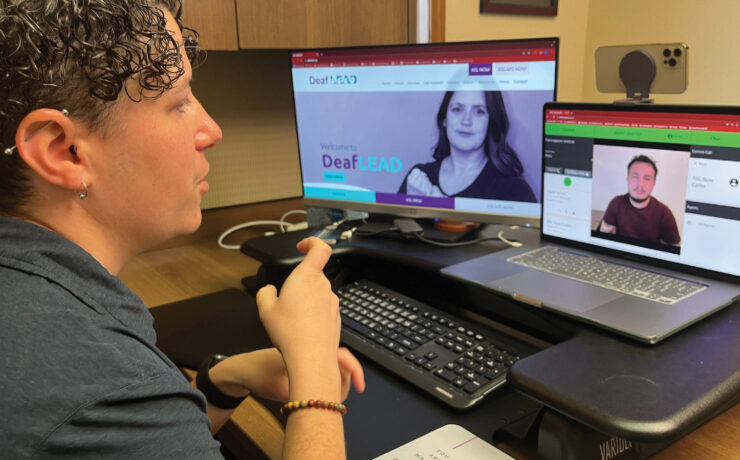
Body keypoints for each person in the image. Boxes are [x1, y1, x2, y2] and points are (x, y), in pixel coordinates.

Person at [0, 1, 364, 458]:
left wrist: (224, 381)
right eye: (179, 102)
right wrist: (314, 376)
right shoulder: (99, 382)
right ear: (63, 151)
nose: (211, 129)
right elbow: (106, 409)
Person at [397, 90, 536, 202]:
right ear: (444, 119)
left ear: (491, 122)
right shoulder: (418, 179)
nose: (466, 121)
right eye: (457, 109)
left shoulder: (514, 190)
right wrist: (412, 206)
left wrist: (441, 207)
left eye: (479, 111)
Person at [599, 155, 681, 245]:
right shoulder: (616, 203)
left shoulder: (664, 213)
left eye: (647, 178)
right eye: (635, 176)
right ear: (627, 179)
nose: (640, 184)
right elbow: (602, 239)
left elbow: (674, 249)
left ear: (654, 183)